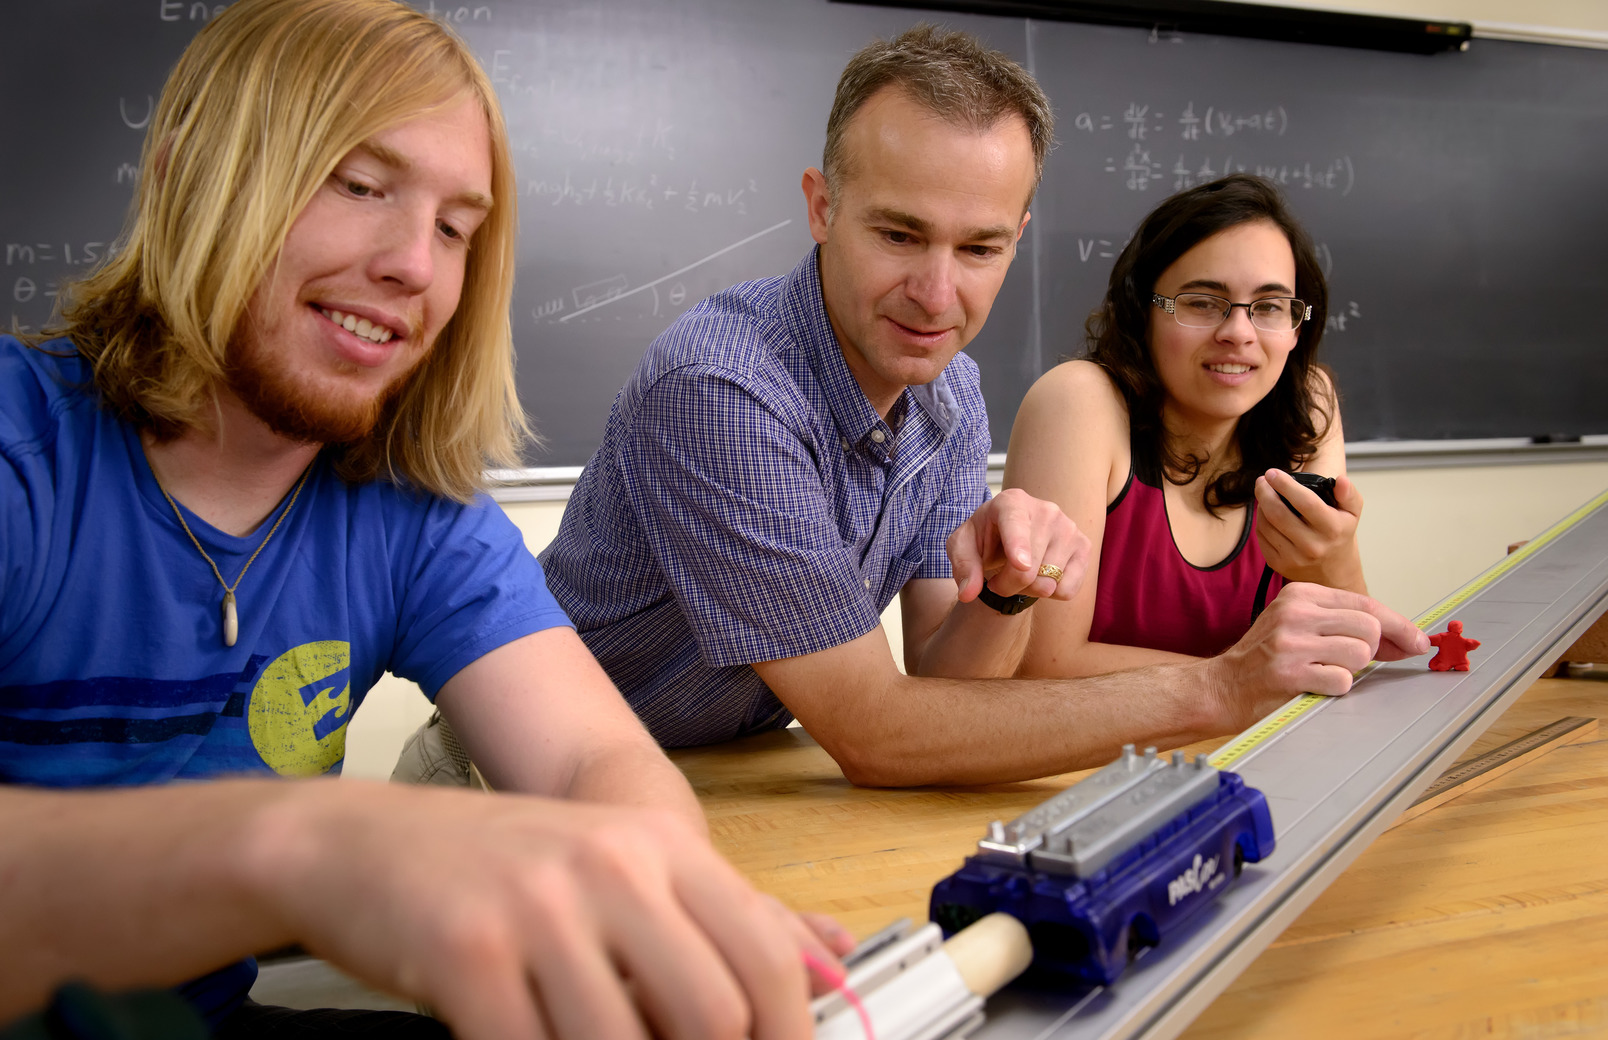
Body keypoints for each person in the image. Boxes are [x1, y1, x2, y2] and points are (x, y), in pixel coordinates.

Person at [0, 1, 848, 1038]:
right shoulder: (20, 453)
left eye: (456, 228)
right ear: (188, 178)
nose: (414, 264)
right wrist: (304, 843)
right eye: (360, 186)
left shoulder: (413, 511)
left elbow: (593, 759)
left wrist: (653, 894)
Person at [512, 27, 1430, 790]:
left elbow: (948, 675)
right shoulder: (724, 391)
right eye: (899, 233)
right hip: (530, 785)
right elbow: (879, 734)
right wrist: (1222, 690)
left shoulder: (947, 390)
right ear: (821, 206)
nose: (936, 293)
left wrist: (1002, 591)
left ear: (1019, 236)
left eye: (981, 247)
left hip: (731, 772)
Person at [1003, 174, 1370, 679]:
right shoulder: (1079, 402)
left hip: (1251, 751)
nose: (1238, 333)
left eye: (1268, 307)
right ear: (1141, 311)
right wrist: (1245, 675)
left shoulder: (1308, 404)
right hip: (1096, 755)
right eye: (1202, 302)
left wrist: (1340, 558)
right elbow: (1040, 662)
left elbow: (1339, 650)